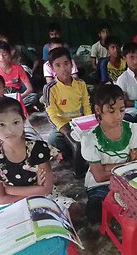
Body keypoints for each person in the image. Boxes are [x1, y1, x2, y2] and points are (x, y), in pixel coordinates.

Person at [0, 96, 79, 214]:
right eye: (1, 125)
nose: (9, 130)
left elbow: (47, 188)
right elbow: (0, 199)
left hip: (44, 195)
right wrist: (36, 190)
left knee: (73, 209)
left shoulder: (37, 148)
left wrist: (10, 189)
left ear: (23, 120)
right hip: (14, 202)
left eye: (15, 122)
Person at [80, 84, 137, 223]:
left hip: (127, 181)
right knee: (95, 213)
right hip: (101, 186)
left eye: (121, 110)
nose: (118, 116)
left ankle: (121, 203)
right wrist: (127, 165)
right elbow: (99, 176)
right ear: (98, 110)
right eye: (111, 111)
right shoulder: (91, 138)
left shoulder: (133, 129)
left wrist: (107, 167)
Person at [42, 47, 92, 179]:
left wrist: (88, 124)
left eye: (66, 63)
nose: (63, 68)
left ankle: (78, 155)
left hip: (80, 123)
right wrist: (65, 130)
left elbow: (86, 106)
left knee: (90, 138)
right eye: (58, 65)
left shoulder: (81, 84)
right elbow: (51, 114)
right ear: (52, 69)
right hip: (62, 127)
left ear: (72, 64)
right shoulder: (50, 88)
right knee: (53, 139)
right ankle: (74, 156)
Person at [0, 40, 40, 112]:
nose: (2, 58)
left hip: (17, 94)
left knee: (34, 97)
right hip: (2, 95)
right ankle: (19, 108)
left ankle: (12, 108)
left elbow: (29, 89)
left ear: (10, 53)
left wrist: (19, 97)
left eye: (5, 54)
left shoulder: (18, 68)